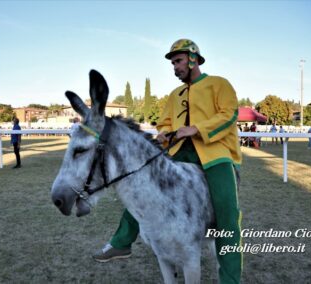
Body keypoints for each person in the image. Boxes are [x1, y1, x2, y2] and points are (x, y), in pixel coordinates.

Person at [93, 39, 242, 283]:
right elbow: (165, 122)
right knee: (141, 190)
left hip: (216, 156)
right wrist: (164, 132)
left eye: (179, 61)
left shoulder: (219, 84)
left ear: (193, 59)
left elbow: (229, 116)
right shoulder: (175, 94)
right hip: (177, 153)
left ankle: (230, 279)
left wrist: (194, 129)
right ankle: (121, 243)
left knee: (227, 217)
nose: (175, 67)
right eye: (173, 63)